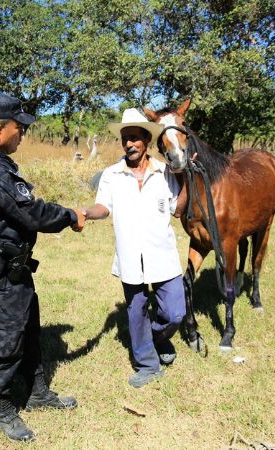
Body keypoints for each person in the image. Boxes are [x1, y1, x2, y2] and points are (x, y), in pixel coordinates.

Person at [0, 93, 86, 442]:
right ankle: (4, 407)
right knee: (4, 340)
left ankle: (37, 392)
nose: (22, 135)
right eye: (19, 128)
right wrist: (73, 216)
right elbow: (33, 212)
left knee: (28, 329)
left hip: (12, 268)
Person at [81, 108, 186, 388]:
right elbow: (104, 207)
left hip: (162, 254)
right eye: (125, 138)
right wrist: (86, 212)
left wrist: (184, 174)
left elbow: (178, 209)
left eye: (135, 138)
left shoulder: (165, 172)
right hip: (130, 255)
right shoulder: (112, 174)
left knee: (176, 312)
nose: (129, 144)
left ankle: (156, 338)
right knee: (136, 311)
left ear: (146, 141)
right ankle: (147, 364)